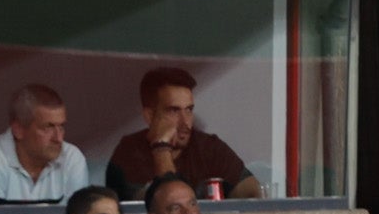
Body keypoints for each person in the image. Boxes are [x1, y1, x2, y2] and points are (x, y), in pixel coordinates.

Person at [103, 67, 262, 202]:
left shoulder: (209, 147)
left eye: (189, 110)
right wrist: (161, 148)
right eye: (174, 111)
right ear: (149, 116)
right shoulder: (129, 152)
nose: (185, 122)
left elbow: (254, 194)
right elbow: (169, 206)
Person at [0, 84, 90, 207]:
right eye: (47, 128)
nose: (58, 138)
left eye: (61, 126)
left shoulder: (72, 157)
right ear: (18, 130)